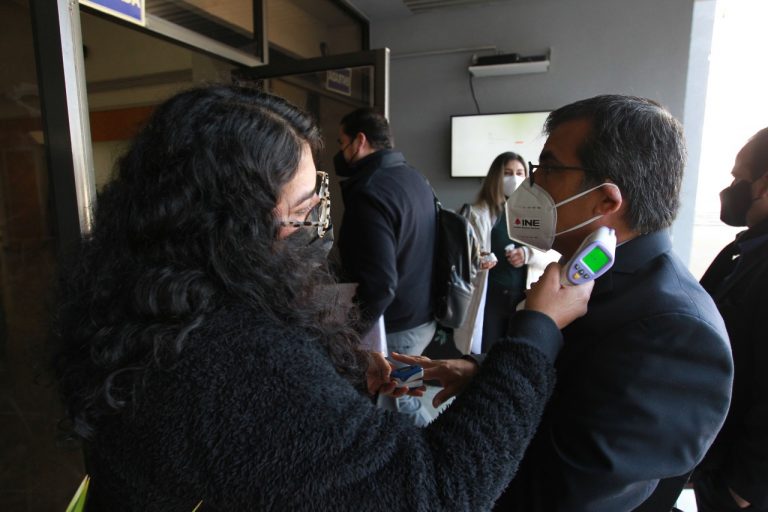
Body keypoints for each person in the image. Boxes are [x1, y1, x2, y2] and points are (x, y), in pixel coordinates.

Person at [52, 85, 593, 511]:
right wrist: (536, 332)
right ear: (232, 226)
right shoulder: (241, 360)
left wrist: (340, 372)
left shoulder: (144, 298)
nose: (312, 227)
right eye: (301, 212)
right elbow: (436, 492)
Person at [398, 94, 734, 512]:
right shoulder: (584, 276)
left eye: (548, 168)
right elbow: (573, 388)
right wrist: (484, 374)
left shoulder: (677, 331)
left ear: (606, 201)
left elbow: (565, 495)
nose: (532, 184)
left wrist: (534, 330)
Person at [333, 108, 436, 424]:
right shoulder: (415, 178)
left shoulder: (370, 191)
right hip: (421, 320)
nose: (341, 151)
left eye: (342, 142)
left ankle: (446, 453)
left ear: (360, 141)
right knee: (406, 397)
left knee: (400, 405)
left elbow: (380, 283)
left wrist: (350, 333)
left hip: (394, 330)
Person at [692, 127, 768, 512]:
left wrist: (745, 486)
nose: (730, 188)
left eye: (739, 178)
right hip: (718, 463)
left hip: (743, 487)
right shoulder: (743, 251)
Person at [453, 152, 557, 354]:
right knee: (486, 353)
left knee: (518, 353)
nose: (514, 178)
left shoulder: (539, 212)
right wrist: (478, 260)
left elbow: (553, 254)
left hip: (524, 296)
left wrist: (527, 254)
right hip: (490, 297)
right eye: (507, 173)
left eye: (520, 172)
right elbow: (460, 255)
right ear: (496, 177)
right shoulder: (476, 213)